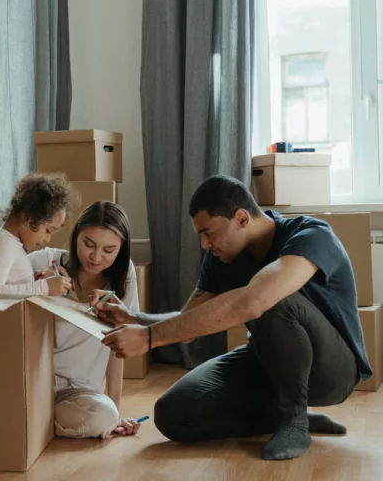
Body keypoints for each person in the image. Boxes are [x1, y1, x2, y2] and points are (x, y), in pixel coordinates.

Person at [99, 175, 369, 461]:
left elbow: (255, 300)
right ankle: (282, 415)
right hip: (268, 362)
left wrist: (149, 339)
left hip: (333, 371)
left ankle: (294, 421)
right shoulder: (220, 257)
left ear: (241, 218)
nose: (204, 244)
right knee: (173, 414)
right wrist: (136, 319)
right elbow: (188, 321)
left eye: (209, 232)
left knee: (270, 299)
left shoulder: (311, 235)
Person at [0, 201, 143, 439]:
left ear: (121, 250)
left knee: (105, 417)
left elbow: (118, 346)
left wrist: (116, 410)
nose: (96, 256)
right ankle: (29, 419)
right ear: (75, 236)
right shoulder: (48, 261)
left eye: (109, 250)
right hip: (33, 383)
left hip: (78, 393)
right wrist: (36, 283)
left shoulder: (124, 278)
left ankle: (26, 421)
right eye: (88, 244)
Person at [0, 173, 74, 299]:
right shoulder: (3, 243)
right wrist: (43, 287)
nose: (48, 239)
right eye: (47, 230)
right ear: (27, 218)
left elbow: (10, 287)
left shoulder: (12, 243)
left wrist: (33, 282)